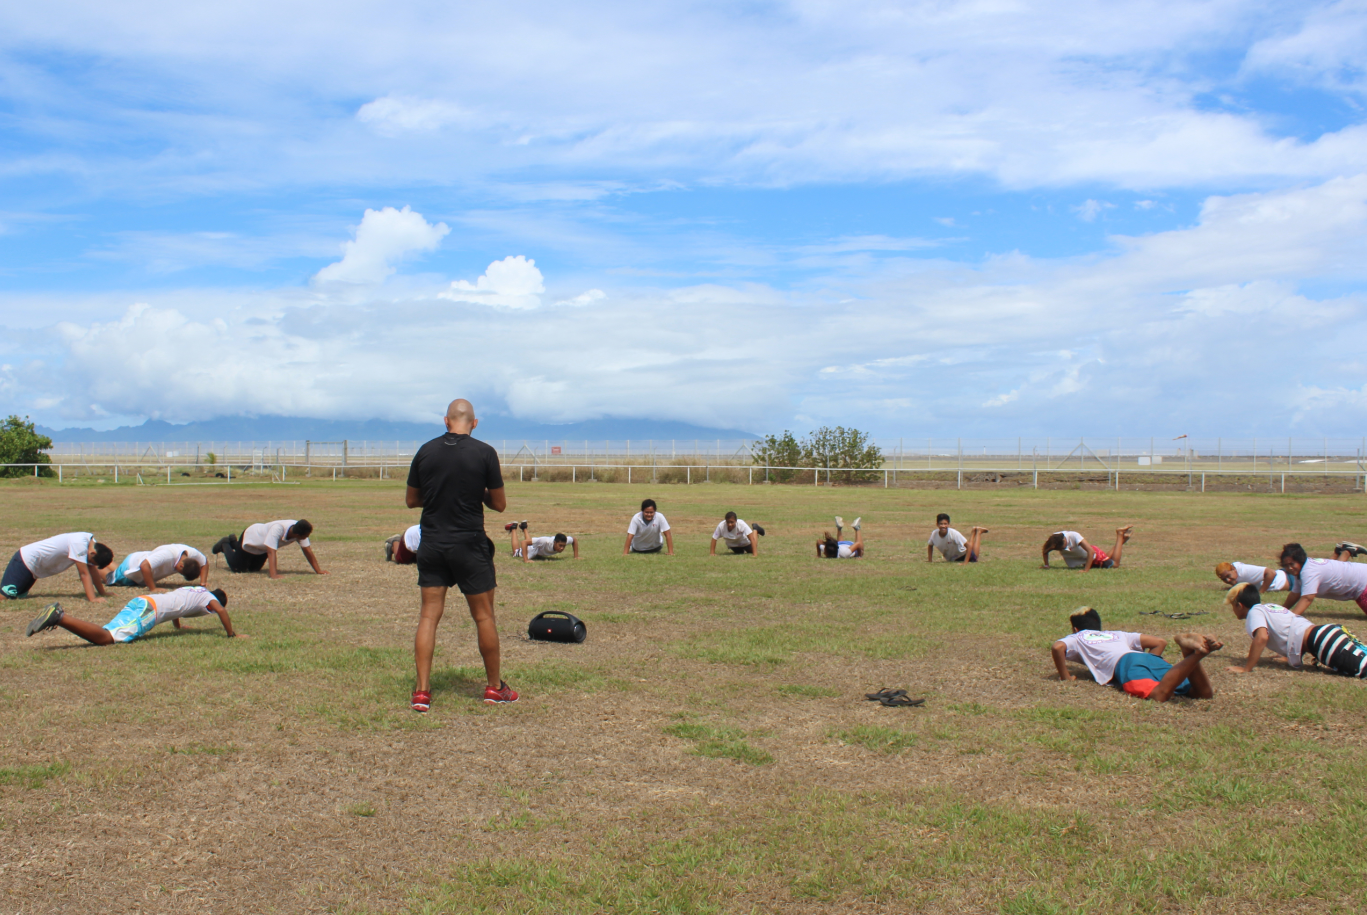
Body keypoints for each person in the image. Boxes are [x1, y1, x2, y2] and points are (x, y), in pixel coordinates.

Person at [406, 398, 516, 713]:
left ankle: (422, 692)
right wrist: (474, 491)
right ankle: (495, 687)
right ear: (475, 423)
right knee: (484, 616)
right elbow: (499, 504)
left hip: (433, 543)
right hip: (469, 545)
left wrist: (440, 489)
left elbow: (412, 500)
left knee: (428, 616)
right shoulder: (485, 453)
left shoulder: (425, 451)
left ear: (446, 421)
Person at [1051, 607, 1217, 702]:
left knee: (1159, 695)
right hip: (1149, 658)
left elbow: (1058, 647)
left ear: (1075, 629)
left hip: (1126, 664)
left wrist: (1065, 676)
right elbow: (1160, 642)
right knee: (1203, 694)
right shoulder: (1116, 634)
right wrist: (1149, 663)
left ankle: (1195, 655)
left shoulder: (1078, 636)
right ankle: (1188, 652)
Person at [1222, 582, 1367, 677]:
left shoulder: (1254, 612)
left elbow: (1261, 637)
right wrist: (1289, 655)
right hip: (1327, 633)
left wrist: (1246, 668)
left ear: (1239, 605)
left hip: (1323, 642)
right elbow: (1292, 628)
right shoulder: (1270, 607)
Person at [24, 587, 237, 645]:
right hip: (149, 611)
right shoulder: (210, 599)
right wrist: (232, 635)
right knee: (107, 638)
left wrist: (178, 627)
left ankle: (59, 617)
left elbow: (177, 604)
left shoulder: (195, 590)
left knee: (107, 632)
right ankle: (59, 617)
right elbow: (221, 610)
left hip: (143, 600)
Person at [1, 533, 114, 603]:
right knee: (5, 596)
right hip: (25, 561)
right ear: (93, 553)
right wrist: (92, 599)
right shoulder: (79, 543)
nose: (88, 563)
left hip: (34, 568)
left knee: (18, 596)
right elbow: (84, 574)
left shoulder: (90, 543)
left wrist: (102, 592)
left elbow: (92, 569)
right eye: (90, 561)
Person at [212, 520, 326, 579]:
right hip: (251, 539)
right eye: (305, 536)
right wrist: (273, 574)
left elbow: (308, 551)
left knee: (254, 569)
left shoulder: (300, 530)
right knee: (238, 568)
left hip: (262, 548)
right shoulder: (278, 529)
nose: (306, 538)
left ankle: (234, 543)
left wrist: (318, 571)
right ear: (297, 534)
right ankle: (225, 544)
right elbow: (271, 552)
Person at [105, 544, 208, 590]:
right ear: (181, 565)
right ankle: (94, 565)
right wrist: (153, 588)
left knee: (116, 568)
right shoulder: (167, 555)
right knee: (109, 577)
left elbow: (204, 562)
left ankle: (104, 561)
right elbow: (144, 566)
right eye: (181, 573)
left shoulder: (191, 554)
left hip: (135, 558)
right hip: (132, 568)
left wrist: (203, 582)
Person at [1041, 526, 1133, 570]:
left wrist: (1086, 570)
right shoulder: (1054, 540)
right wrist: (1046, 565)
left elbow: (1091, 551)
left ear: (1065, 541)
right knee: (1107, 558)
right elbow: (1045, 551)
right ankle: (1121, 541)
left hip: (1094, 555)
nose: (1062, 550)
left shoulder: (1074, 536)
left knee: (1115, 564)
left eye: (1062, 548)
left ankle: (1120, 535)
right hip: (1086, 558)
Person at [505, 520, 579, 561]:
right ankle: (513, 528)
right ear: (554, 542)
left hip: (538, 549)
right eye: (560, 546)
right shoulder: (545, 541)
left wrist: (576, 556)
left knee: (530, 542)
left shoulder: (564, 540)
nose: (562, 548)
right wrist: (526, 560)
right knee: (516, 551)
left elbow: (574, 540)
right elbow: (524, 542)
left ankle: (524, 527)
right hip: (532, 550)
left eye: (563, 546)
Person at [1214, 561, 1291, 593]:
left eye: (1228, 576)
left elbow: (1271, 573)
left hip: (1289, 579)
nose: (1228, 580)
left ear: (1233, 569)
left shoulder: (1245, 571)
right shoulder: (1236, 574)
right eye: (1224, 579)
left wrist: (1261, 592)